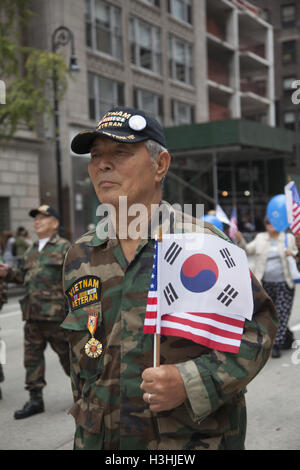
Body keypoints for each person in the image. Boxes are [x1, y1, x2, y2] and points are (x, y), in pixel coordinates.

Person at [61, 106, 277, 450]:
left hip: (186, 442)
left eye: (120, 152)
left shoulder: (203, 244)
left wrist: (190, 381)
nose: (102, 164)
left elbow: (258, 331)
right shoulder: (80, 255)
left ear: (160, 165)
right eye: (96, 155)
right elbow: (82, 360)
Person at [0, 205, 71, 419]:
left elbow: (76, 280)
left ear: (55, 223)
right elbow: (24, 277)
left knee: (70, 359)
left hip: (57, 317)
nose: (37, 221)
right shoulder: (31, 251)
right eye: (35, 218)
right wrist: (8, 273)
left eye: (43, 217)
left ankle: (85, 394)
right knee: (32, 360)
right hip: (32, 316)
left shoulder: (65, 248)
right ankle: (35, 399)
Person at [235, 216, 297, 358]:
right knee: (270, 314)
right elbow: (246, 250)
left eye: (274, 221)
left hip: (284, 284)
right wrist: (239, 239)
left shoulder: (288, 238)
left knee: (282, 313)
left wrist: (292, 253)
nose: (270, 224)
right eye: (268, 222)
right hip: (265, 284)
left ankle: (275, 344)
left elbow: (297, 256)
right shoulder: (260, 237)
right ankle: (287, 336)